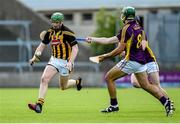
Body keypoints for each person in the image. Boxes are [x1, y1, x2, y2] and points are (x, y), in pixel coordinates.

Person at [86, 6, 175, 116]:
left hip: (131, 61)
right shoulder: (139, 28)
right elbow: (109, 40)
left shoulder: (126, 28)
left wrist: (104, 57)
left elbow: (120, 49)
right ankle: (166, 102)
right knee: (146, 85)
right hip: (140, 62)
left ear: (124, 16)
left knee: (109, 77)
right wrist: (93, 39)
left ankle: (114, 105)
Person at [28, 12, 82, 113]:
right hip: (54, 60)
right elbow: (42, 45)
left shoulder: (68, 33)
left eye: (57, 23)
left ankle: (76, 82)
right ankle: (39, 105)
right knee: (44, 79)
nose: (55, 24)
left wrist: (70, 62)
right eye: (53, 22)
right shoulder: (50, 32)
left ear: (61, 22)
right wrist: (34, 57)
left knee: (63, 87)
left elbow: (75, 48)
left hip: (66, 62)